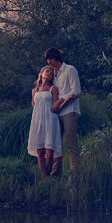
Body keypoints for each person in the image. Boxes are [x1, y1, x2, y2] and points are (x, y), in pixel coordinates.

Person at [44, 48, 81, 178]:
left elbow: (75, 92)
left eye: (51, 58)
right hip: (56, 115)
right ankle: (55, 176)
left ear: (57, 58)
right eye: (47, 59)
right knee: (55, 144)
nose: (49, 61)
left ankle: (74, 175)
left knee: (71, 144)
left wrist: (60, 103)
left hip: (70, 112)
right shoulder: (53, 74)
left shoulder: (70, 70)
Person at [27, 65, 63, 178]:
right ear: (41, 73)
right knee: (40, 152)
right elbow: (35, 106)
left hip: (50, 120)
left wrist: (61, 100)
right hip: (38, 120)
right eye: (47, 71)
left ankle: (47, 176)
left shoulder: (53, 89)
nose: (49, 74)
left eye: (52, 73)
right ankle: (44, 178)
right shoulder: (34, 90)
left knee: (49, 152)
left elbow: (55, 106)